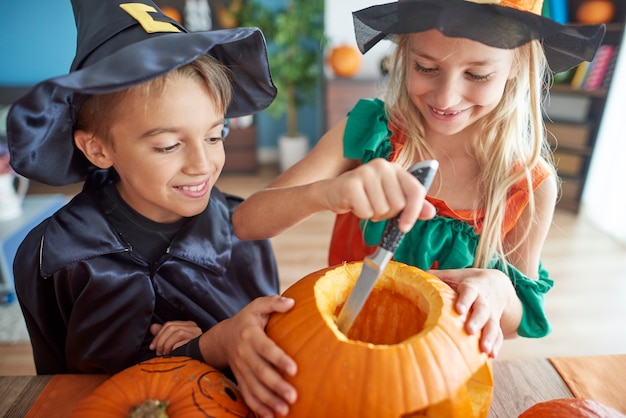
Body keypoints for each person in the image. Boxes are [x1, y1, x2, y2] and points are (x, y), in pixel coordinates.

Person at [233, 0, 606, 358]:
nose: (445, 97)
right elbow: (246, 223)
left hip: (440, 365)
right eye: (426, 68)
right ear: (403, 54)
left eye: (477, 74)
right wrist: (326, 193)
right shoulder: (370, 131)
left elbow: (515, 323)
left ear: (518, 65)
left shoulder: (528, 187)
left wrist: (500, 291)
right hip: (345, 344)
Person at [8, 1, 296, 416]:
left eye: (215, 136)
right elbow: (76, 391)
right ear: (98, 148)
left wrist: (216, 343)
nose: (202, 164)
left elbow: (265, 356)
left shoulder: (243, 238)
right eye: (168, 145)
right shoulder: (55, 258)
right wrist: (204, 349)